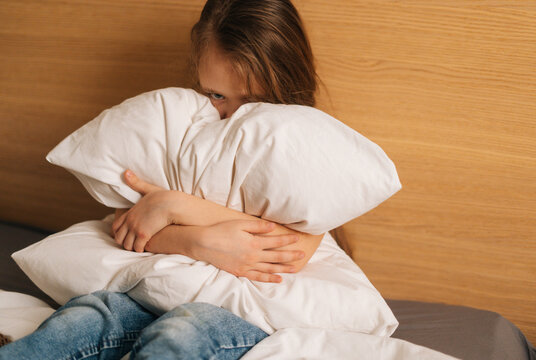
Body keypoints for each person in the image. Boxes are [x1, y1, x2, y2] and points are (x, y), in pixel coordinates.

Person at [0, 0, 323, 359]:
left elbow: (291, 248)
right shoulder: (184, 137)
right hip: (159, 283)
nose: (230, 117)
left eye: (252, 102)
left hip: (236, 309)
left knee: (181, 333)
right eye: (216, 95)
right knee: (85, 320)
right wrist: (195, 240)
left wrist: (175, 206)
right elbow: (133, 227)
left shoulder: (304, 150)